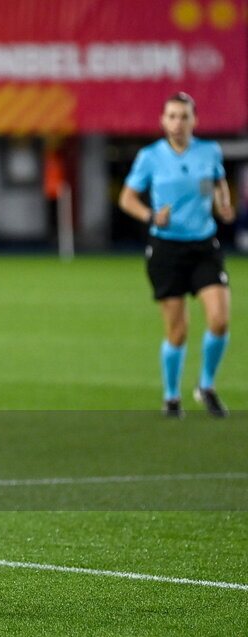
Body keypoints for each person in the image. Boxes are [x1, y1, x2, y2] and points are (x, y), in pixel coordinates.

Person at [119, 92, 236, 418]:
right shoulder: (150, 157)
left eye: (184, 116)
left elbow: (217, 183)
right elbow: (127, 199)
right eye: (172, 116)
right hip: (166, 248)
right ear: (162, 120)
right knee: (178, 330)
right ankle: (171, 397)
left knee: (220, 319)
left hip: (203, 245)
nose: (178, 123)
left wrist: (223, 204)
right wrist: (150, 216)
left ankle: (206, 386)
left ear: (194, 121)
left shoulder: (209, 151)